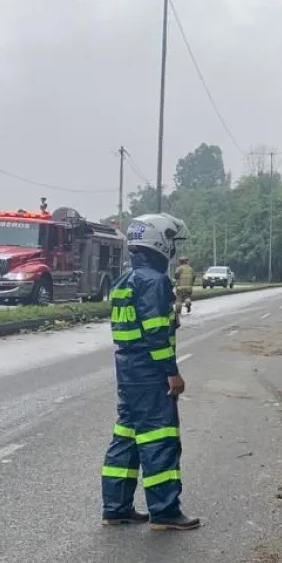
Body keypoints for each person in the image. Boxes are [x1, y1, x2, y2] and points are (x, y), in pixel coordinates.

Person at [101, 213, 200, 531]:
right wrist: (172, 372)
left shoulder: (123, 281)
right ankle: (165, 510)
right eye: (170, 240)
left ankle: (116, 508)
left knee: (126, 437)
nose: (172, 247)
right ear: (158, 241)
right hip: (150, 373)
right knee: (160, 439)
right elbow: (156, 334)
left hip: (127, 371)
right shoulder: (154, 282)